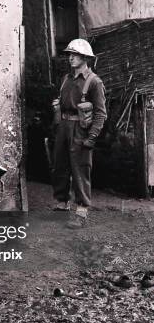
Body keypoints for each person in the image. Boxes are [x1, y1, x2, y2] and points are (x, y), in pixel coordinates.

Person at [51, 38, 106, 228]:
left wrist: (92, 137)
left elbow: (100, 113)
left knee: (81, 169)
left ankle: (81, 210)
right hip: (63, 127)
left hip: (80, 130)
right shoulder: (66, 79)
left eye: (75, 55)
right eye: (69, 54)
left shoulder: (94, 82)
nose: (71, 58)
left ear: (85, 58)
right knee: (60, 166)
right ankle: (61, 202)